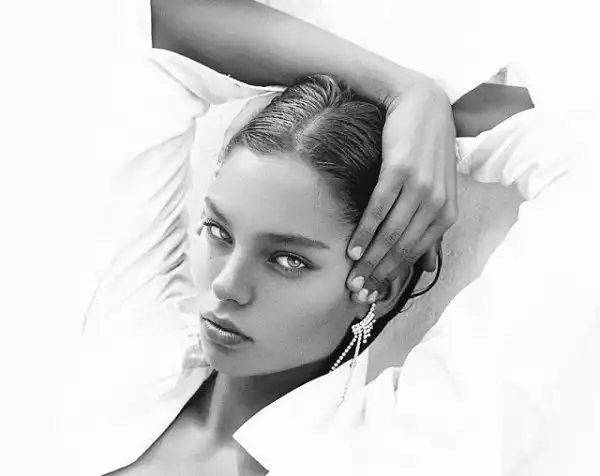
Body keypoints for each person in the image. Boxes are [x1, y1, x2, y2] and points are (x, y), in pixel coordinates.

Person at [59, 1, 600, 476]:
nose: (226, 286)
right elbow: (156, 26)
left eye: (288, 260)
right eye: (219, 232)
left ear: (379, 285)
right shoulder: (131, 341)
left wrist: (436, 122)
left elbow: (587, 162)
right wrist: (404, 92)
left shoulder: (412, 448)